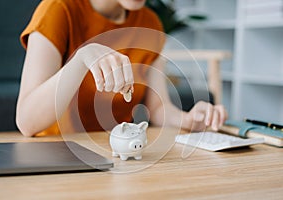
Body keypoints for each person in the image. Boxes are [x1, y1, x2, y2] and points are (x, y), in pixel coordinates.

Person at [16, 0, 228, 137]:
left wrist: (188, 119)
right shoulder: (58, 10)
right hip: (55, 154)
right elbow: (27, 122)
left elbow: (157, 109)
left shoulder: (151, 23)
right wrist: (81, 60)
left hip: (115, 154)